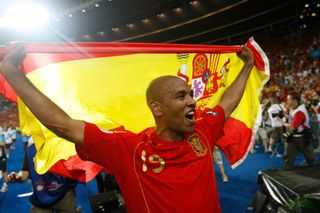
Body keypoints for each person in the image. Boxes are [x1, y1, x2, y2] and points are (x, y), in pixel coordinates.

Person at [0, 44, 254, 212]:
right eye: (180, 96)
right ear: (157, 108)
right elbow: (62, 125)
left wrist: (248, 67)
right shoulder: (129, 149)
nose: (192, 100)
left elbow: (228, 102)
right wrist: (11, 72)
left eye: (190, 94)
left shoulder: (203, 130)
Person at [5, 136, 78, 212]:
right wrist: (17, 177)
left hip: (64, 193)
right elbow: (25, 172)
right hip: (40, 196)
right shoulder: (31, 145)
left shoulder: (63, 141)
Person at [279, 92, 318, 168]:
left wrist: (281, 122)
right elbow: (293, 119)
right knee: (288, 159)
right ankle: (288, 175)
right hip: (293, 136)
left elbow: (292, 127)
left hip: (302, 138)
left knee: (311, 160)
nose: (287, 101)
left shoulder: (299, 111)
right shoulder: (294, 107)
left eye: (289, 99)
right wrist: (284, 115)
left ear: (295, 100)